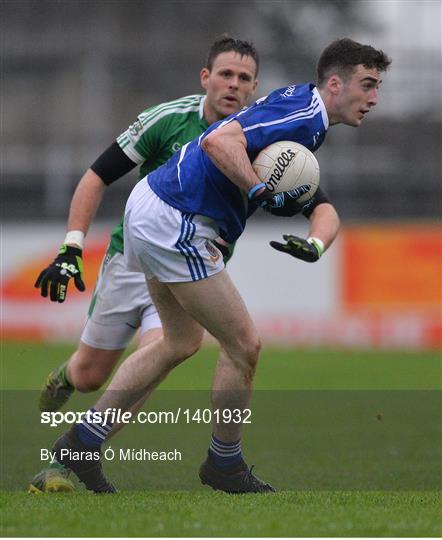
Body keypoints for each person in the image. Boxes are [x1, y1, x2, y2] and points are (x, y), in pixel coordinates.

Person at [31, 38, 391, 495]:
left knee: (180, 342)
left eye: (377, 86)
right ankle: (224, 464)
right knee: (245, 345)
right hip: (176, 220)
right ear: (336, 84)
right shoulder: (302, 116)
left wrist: (316, 244)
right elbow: (220, 139)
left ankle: (77, 448)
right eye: (368, 85)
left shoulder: (301, 110)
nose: (375, 98)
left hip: (155, 207)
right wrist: (259, 190)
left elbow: (320, 206)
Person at [35, 36, 260, 419]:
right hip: (132, 260)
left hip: (187, 267)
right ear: (206, 77)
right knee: (91, 374)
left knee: (161, 351)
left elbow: (307, 195)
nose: (233, 84)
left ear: (255, 88)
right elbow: (96, 177)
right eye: (225, 74)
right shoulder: (168, 119)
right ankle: (68, 375)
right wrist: (71, 247)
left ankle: (78, 453)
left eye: (244, 77)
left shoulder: (261, 138)